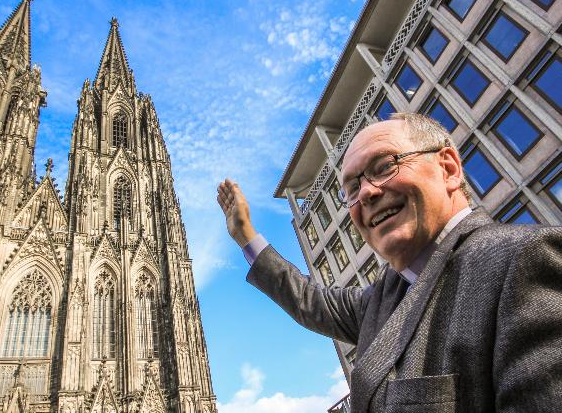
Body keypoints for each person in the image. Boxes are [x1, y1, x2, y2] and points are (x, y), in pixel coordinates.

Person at [217, 113, 562, 412]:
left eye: (384, 167)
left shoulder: (522, 261)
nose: (366, 192)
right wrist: (246, 237)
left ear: (449, 169)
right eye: (351, 189)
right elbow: (311, 301)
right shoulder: (383, 298)